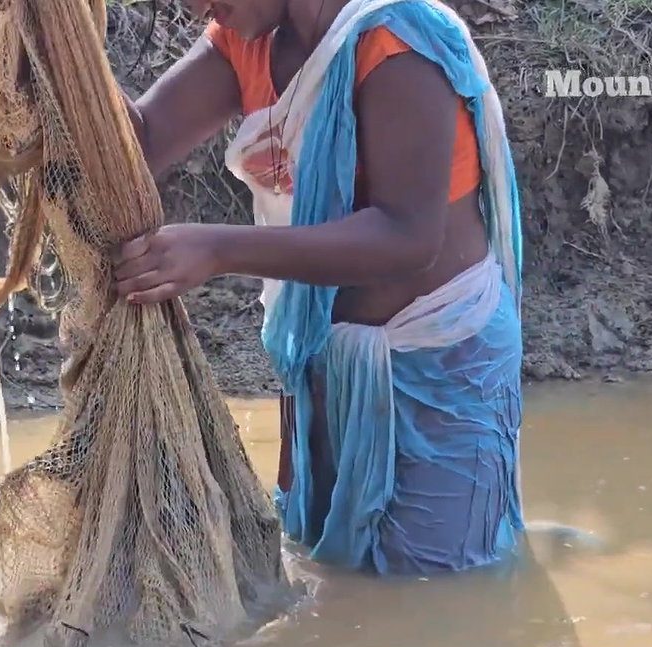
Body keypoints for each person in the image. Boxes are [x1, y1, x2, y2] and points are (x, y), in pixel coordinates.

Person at [114, 0, 525, 574]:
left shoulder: (394, 45)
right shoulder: (248, 36)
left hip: (438, 360)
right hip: (316, 354)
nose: (196, 9)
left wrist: (218, 249)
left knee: (437, 590)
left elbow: (406, 237)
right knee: (320, 565)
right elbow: (139, 142)